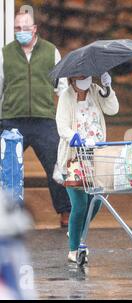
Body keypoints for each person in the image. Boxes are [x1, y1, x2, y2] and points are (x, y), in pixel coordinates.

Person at [0, 12, 71, 228]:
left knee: (56, 166)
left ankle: (65, 213)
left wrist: (67, 118)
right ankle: (6, 212)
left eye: (25, 27)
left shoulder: (51, 52)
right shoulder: (5, 53)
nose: (21, 32)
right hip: (12, 119)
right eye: (17, 28)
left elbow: (63, 88)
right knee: (6, 168)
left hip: (44, 119)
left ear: (35, 28)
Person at [56, 72, 119, 263]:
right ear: (72, 79)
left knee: (97, 200)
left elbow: (113, 109)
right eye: (80, 76)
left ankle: (75, 231)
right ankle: (74, 249)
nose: (85, 79)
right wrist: (74, 137)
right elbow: (62, 125)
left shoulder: (95, 90)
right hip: (75, 156)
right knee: (80, 204)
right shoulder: (66, 96)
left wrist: (108, 90)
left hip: (97, 155)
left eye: (87, 75)